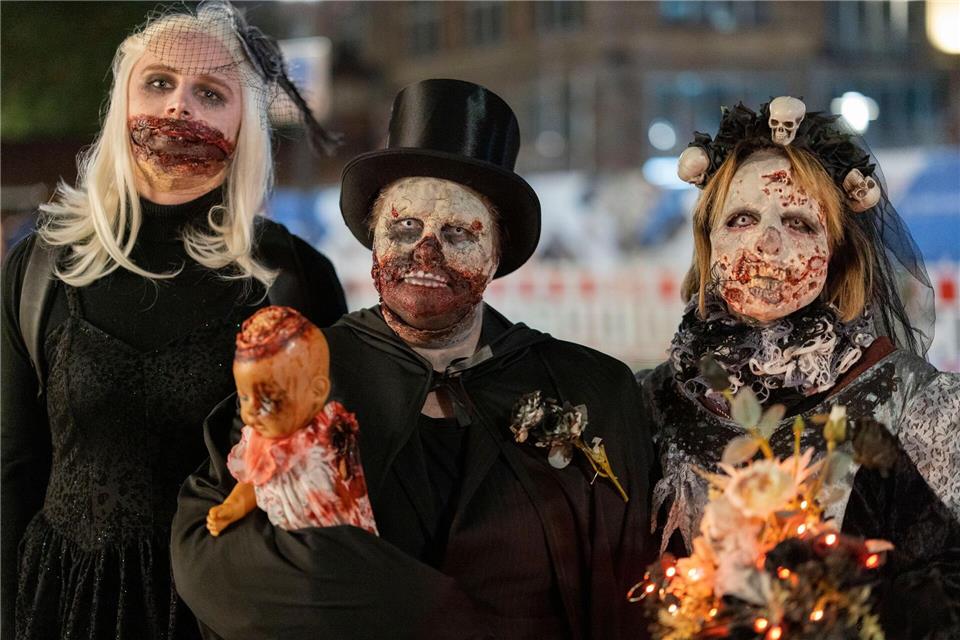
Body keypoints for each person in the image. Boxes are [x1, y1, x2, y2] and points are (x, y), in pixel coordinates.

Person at [171, 78, 656, 640]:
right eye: (405, 227)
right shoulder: (301, 370)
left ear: (496, 253)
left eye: (458, 232)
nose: (426, 250)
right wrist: (428, 614)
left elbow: (631, 588)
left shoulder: (591, 388)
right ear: (373, 238)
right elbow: (215, 556)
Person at [0, 3, 346, 638]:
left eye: (209, 92)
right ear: (122, 103)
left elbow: (322, 482)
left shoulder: (292, 277)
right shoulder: (42, 265)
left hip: (222, 613)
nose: (177, 106)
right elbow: (11, 464)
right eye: (158, 83)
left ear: (244, 127)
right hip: (59, 605)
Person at [641, 98, 960, 638]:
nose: (767, 241)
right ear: (708, 238)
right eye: (742, 218)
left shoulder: (914, 401)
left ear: (836, 253)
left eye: (797, 221)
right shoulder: (643, 401)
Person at [205, 305, 376, 536]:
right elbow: (256, 480)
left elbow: (348, 498)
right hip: (282, 542)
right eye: (244, 397)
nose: (252, 411)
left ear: (317, 392)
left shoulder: (324, 442)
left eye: (269, 401)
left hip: (331, 542)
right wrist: (232, 507)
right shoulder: (259, 439)